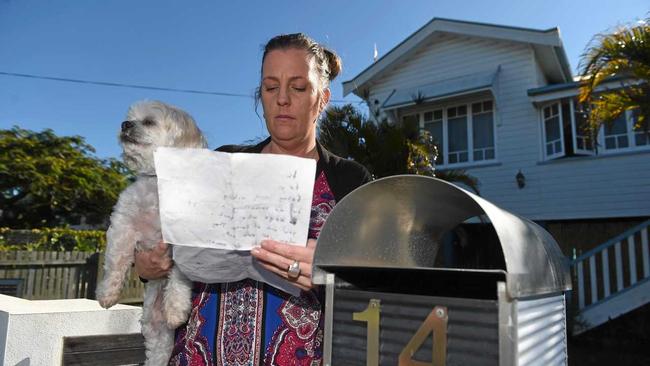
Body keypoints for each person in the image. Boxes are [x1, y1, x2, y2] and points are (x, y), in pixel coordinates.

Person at [135, 33, 372, 365]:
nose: (283, 99)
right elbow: (169, 245)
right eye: (271, 87)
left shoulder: (349, 180)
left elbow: (372, 286)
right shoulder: (223, 162)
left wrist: (327, 272)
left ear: (323, 98)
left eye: (299, 87)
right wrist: (149, 264)